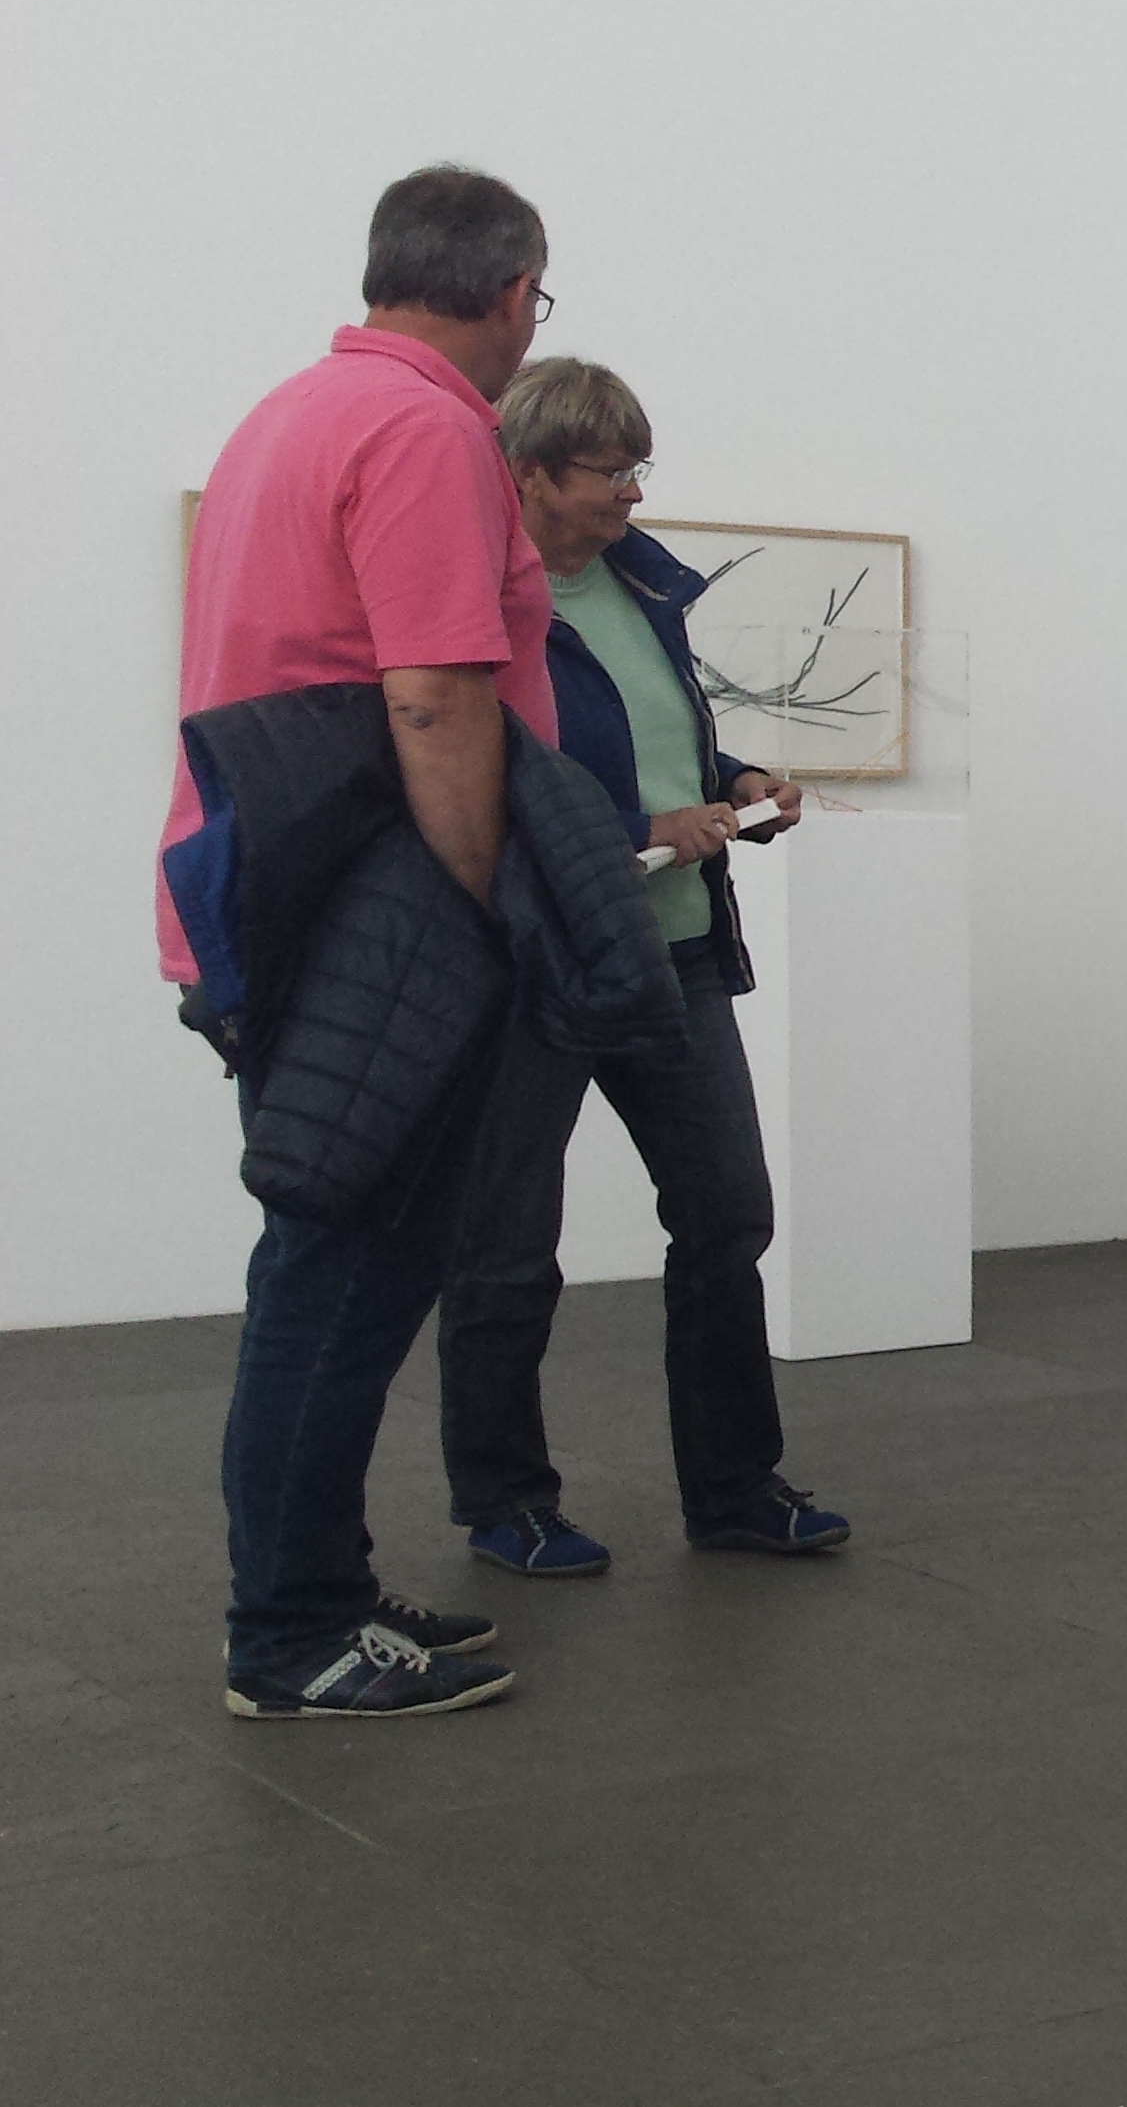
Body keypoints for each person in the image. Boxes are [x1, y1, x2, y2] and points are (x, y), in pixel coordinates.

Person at [158, 166, 557, 1718]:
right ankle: (288, 1631)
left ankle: (319, 1582)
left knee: (328, 1263)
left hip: (272, 897)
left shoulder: (292, 413)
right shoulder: (426, 429)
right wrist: (472, 913)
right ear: (512, 291)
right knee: (342, 1275)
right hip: (368, 922)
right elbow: (438, 694)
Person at [429, 358, 846, 1579]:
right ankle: (506, 1502)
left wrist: (731, 783)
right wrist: (639, 828)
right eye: (611, 471)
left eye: (637, 467)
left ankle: (733, 1489)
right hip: (537, 962)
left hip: (673, 949)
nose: (633, 493)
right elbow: (469, 789)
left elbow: (654, 745)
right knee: (509, 1243)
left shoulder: (639, 587)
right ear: (532, 473)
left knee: (727, 1212)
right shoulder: (477, 597)